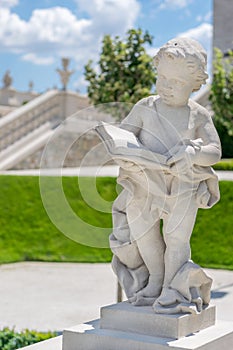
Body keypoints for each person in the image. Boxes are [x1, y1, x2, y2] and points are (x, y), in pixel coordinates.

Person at [109, 37, 221, 313]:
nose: (166, 87)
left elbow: (215, 150)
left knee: (177, 238)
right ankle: (155, 280)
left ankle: (173, 288)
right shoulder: (146, 107)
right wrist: (123, 151)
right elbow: (123, 135)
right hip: (144, 183)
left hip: (182, 183)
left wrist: (194, 154)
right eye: (162, 78)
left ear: (195, 85)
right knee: (144, 234)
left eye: (177, 83)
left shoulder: (198, 114)